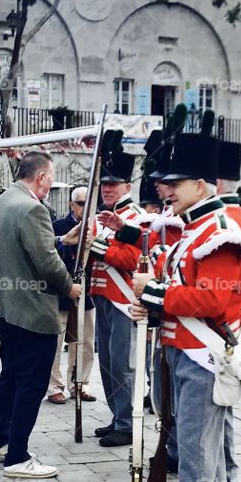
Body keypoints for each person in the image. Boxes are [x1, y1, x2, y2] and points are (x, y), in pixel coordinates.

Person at [131, 130, 241, 482]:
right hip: (186, 349)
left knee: (199, 456)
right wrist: (156, 300)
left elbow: (214, 301)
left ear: (201, 185)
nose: (167, 190)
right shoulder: (196, 228)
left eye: (176, 183)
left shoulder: (218, 233)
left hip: (204, 353)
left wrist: (155, 294)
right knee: (206, 452)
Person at [0, 150, 81, 478]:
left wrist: (58, 238)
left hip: (6, 307)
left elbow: (23, 244)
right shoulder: (33, 208)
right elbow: (47, 264)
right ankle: (17, 457)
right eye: (50, 180)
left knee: (10, 374)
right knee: (32, 382)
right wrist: (70, 289)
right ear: (40, 177)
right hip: (31, 309)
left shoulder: (3, 201)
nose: (50, 186)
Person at [88, 140, 142, 447]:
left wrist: (97, 249)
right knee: (107, 361)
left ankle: (127, 421)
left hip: (123, 301)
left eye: (114, 184)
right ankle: (117, 415)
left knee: (122, 362)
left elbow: (135, 259)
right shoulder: (102, 217)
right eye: (104, 184)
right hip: (102, 297)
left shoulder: (135, 217)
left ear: (127, 185)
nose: (107, 189)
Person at [47, 186, 96, 405]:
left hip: (86, 294)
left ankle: (79, 384)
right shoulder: (58, 226)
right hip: (60, 294)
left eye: (89, 204)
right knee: (55, 344)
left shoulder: (97, 229)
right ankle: (54, 387)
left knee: (84, 343)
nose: (85, 208)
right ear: (71, 205)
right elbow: (48, 255)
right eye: (81, 204)